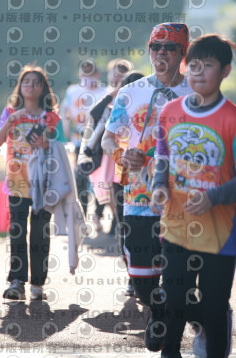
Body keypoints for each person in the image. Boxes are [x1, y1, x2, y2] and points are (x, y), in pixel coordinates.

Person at [150, 34, 236, 358]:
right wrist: (159, 185)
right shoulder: (169, 111)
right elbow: (163, 155)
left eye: (208, 65)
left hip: (220, 234)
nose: (198, 72)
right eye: (194, 65)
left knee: (213, 306)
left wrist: (214, 197)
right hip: (176, 225)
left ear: (225, 71)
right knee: (174, 299)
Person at [102, 22, 193, 352]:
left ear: (183, 53)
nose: (161, 53)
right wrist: (122, 155)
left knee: (178, 271)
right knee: (141, 275)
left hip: (182, 196)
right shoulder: (131, 92)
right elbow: (108, 138)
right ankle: (156, 309)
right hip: (138, 195)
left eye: (170, 47)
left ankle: (168, 332)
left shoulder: (195, 93)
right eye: (156, 46)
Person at [0, 64, 66, 301]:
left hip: (43, 184)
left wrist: (48, 143)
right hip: (16, 182)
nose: (31, 86)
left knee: (40, 234)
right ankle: (17, 281)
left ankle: (37, 284)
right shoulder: (10, 112)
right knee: (17, 231)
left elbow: (62, 146)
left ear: (43, 88)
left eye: (36, 82)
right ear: (20, 87)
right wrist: (10, 120)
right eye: (26, 82)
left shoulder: (51, 117)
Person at [78, 65, 142, 297]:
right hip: (120, 177)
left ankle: (147, 274)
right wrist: (113, 94)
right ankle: (133, 277)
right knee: (125, 227)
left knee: (143, 228)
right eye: (128, 88)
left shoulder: (154, 111)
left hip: (147, 178)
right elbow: (94, 113)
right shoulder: (115, 110)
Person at [60, 59, 109, 231]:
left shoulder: (105, 92)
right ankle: (81, 216)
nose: (87, 78)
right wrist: (65, 136)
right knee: (80, 178)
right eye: (84, 74)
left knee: (99, 179)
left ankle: (97, 215)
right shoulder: (73, 91)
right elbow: (65, 113)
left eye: (91, 74)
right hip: (78, 141)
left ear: (98, 74)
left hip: (99, 142)